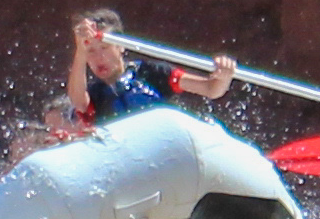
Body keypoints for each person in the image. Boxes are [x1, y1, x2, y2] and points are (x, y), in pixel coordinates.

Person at [44, 12, 231, 143]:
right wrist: (80, 51)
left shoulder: (152, 73)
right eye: (90, 52)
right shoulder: (93, 95)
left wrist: (224, 75)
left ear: (121, 47)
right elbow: (77, 99)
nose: (99, 58)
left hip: (164, 148)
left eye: (105, 48)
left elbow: (211, 89)